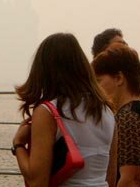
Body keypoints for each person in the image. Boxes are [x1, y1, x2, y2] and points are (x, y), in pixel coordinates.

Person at [12, 33, 116, 187]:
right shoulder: (107, 111)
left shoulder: (48, 112)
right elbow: (111, 177)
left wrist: (18, 145)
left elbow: (37, 182)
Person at [92, 43, 140, 187]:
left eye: (99, 81)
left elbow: (131, 180)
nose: (96, 88)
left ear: (119, 78)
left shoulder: (129, 117)